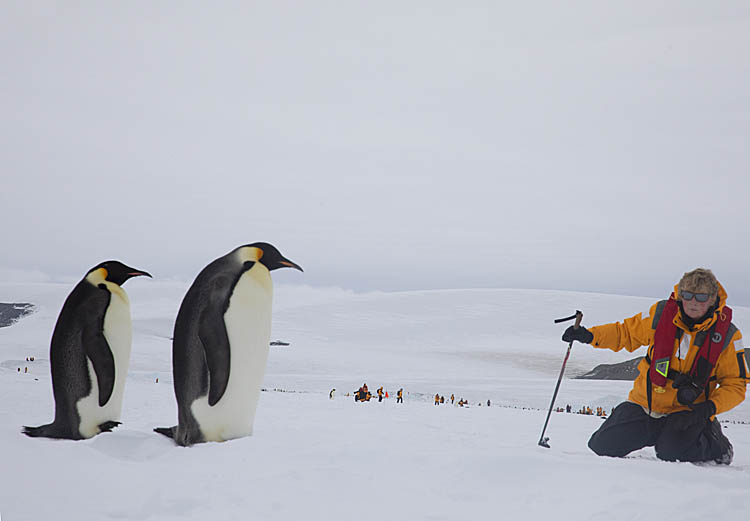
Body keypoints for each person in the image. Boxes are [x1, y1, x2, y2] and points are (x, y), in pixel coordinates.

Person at [562, 268, 747, 464]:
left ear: (712, 299)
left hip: (688, 413)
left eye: (701, 297)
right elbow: (625, 332)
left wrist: (708, 408)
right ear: (679, 295)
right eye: (687, 295)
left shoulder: (727, 336)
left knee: (671, 453)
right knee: (602, 445)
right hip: (646, 405)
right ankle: (659, 435)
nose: (693, 302)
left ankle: (716, 445)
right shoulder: (660, 315)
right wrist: (589, 336)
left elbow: (736, 384)